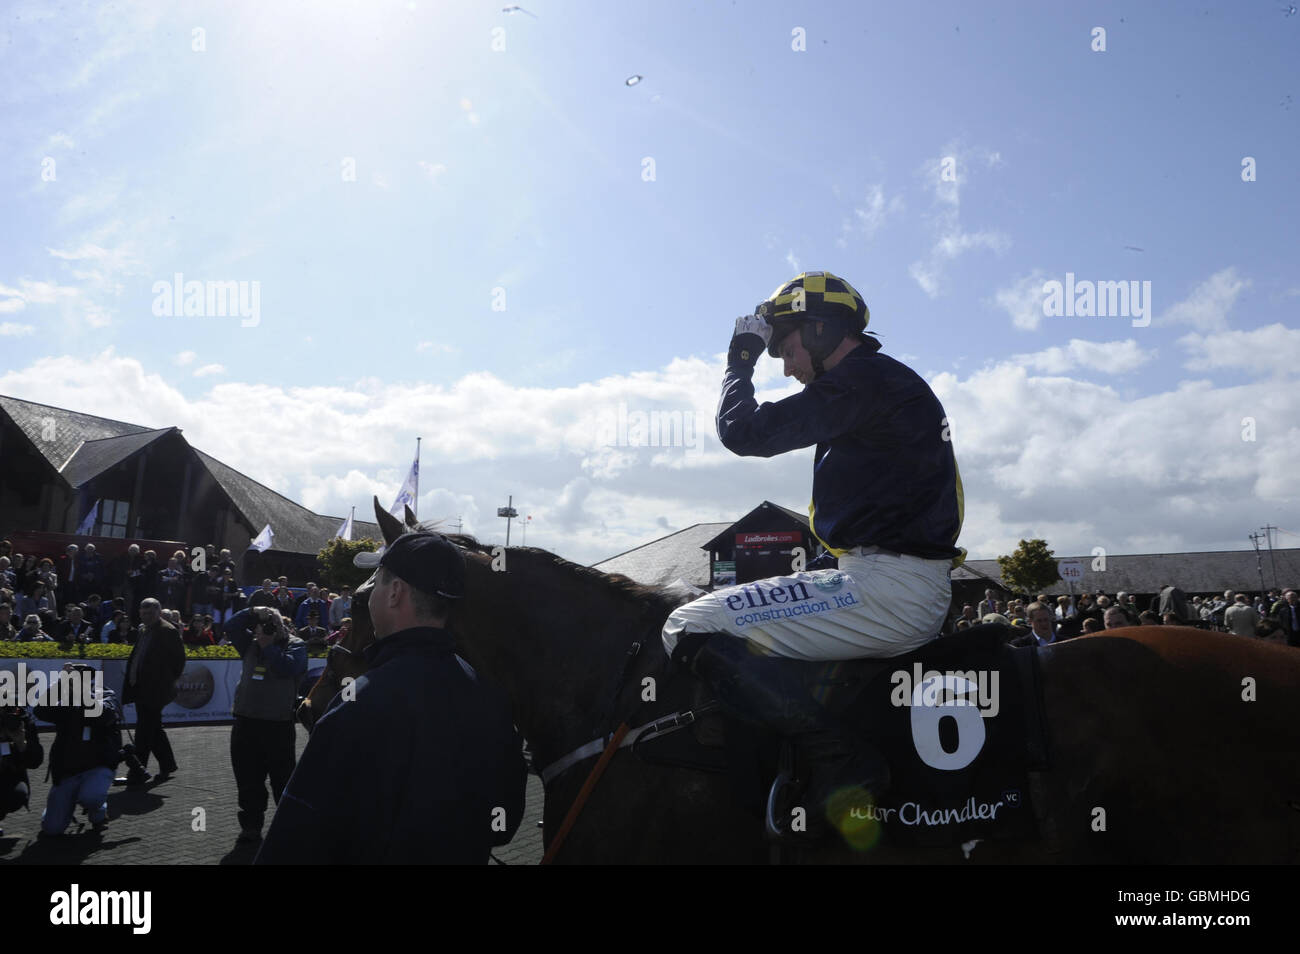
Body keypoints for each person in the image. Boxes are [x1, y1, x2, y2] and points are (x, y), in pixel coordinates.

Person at [661, 271, 964, 841]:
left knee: (689, 623)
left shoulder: (864, 380)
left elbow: (743, 431)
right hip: (883, 577)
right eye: (774, 354)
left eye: (788, 347)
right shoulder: (874, 386)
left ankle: (842, 758)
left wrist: (740, 360)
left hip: (887, 588)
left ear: (821, 329)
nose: (786, 365)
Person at [256, 533, 526, 864]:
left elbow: (294, 842)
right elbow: (503, 827)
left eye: (375, 586)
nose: (370, 599)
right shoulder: (492, 700)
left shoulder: (360, 703)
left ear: (395, 593)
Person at [223, 606, 307, 845]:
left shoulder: (295, 644)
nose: (268, 627)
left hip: (277, 725)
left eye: (273, 622)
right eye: (264, 624)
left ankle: (288, 827)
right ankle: (250, 827)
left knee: (282, 779)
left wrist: (269, 645)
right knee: (247, 778)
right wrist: (252, 611)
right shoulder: (250, 643)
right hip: (246, 721)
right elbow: (230, 627)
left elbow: (288, 668)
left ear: (283, 624)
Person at [34, 664, 123, 837]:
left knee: (91, 797)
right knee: (52, 829)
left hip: (98, 766)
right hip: (68, 770)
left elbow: (104, 715)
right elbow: (41, 711)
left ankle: (98, 813)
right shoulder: (64, 700)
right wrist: (59, 685)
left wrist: (82, 693)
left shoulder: (105, 695)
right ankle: (61, 806)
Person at [120, 599, 184, 786]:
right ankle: (168, 765)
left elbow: (179, 661)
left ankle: (137, 771)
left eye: (150, 613)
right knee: (153, 728)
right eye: (143, 613)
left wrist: (165, 683)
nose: (146, 616)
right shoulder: (143, 630)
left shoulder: (167, 631)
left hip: (155, 690)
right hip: (141, 687)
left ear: (158, 612)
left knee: (144, 732)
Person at [0, 705, 43, 838]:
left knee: (16, 795)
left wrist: (21, 744)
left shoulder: (21, 720)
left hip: (8, 776)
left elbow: (35, 762)